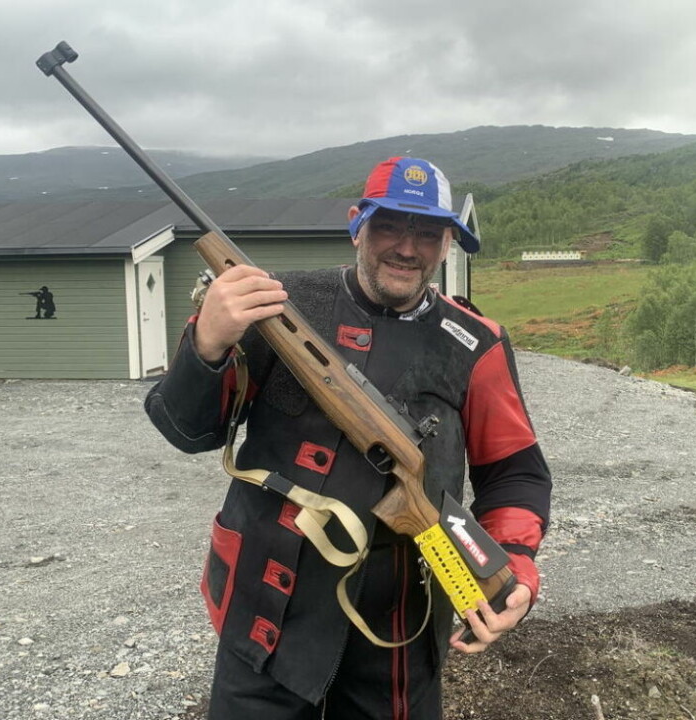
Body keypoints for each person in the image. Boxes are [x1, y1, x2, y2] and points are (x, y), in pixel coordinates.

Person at [145, 156, 551, 719]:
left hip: (399, 631)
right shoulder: (277, 309)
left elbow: (515, 474)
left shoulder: (475, 343)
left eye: (427, 232)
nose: (407, 247)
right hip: (267, 611)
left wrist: (516, 571)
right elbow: (185, 429)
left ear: (446, 245)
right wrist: (208, 344)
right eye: (390, 225)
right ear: (358, 223)